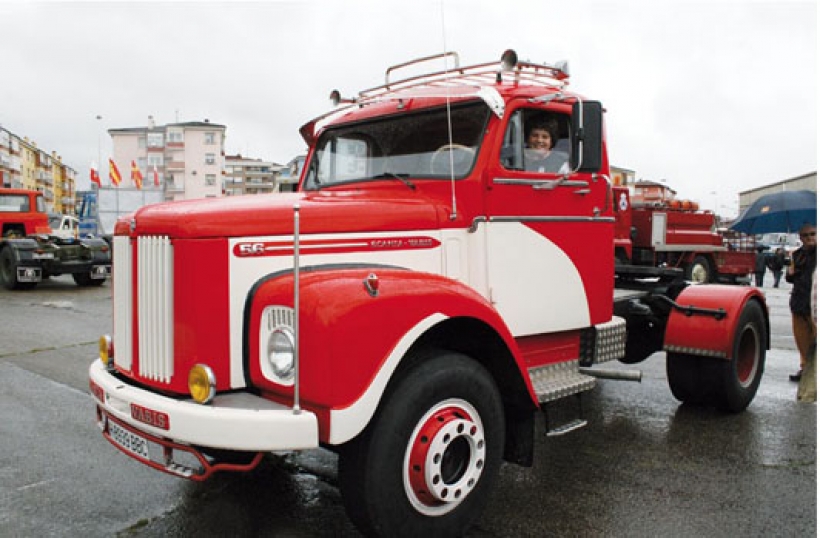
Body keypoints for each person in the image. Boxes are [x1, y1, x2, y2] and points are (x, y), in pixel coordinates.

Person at [786, 223, 817, 382]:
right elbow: (789, 277)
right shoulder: (796, 255)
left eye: (812, 234)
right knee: (802, 340)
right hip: (799, 302)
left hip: (815, 303)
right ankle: (805, 368)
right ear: (800, 238)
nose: (810, 238)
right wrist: (790, 273)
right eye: (806, 235)